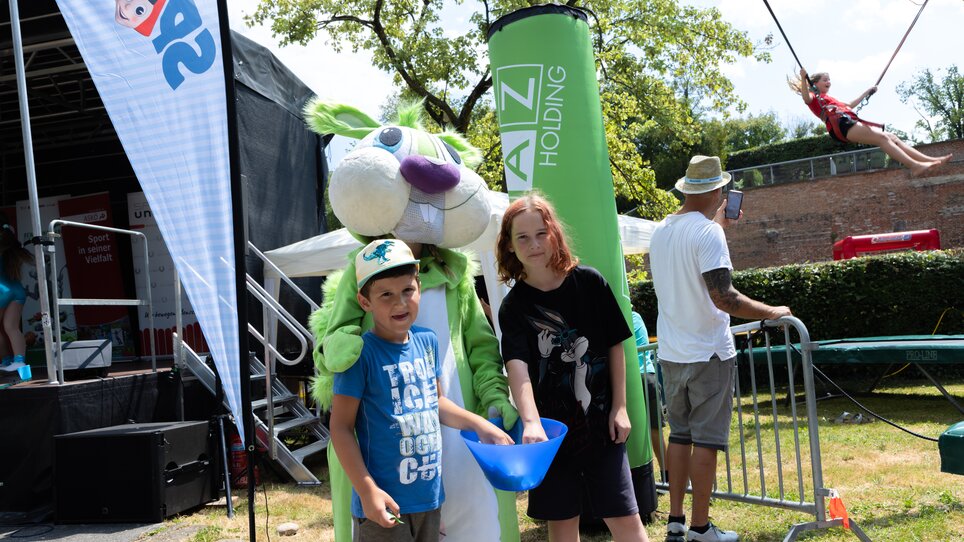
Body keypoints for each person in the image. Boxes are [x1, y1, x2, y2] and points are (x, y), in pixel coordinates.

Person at [329, 239, 513, 541]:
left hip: (429, 498)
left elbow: (437, 402)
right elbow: (340, 427)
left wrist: (479, 425)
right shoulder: (359, 356)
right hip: (383, 504)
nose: (400, 303)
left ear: (419, 286)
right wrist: (367, 490)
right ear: (365, 302)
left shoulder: (427, 342)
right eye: (386, 295)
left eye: (407, 291)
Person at [649, 155, 793, 542]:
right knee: (707, 442)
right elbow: (723, 297)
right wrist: (773, 312)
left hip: (672, 352)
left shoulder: (661, 231)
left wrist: (717, 225)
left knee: (679, 435)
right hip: (708, 352)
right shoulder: (709, 233)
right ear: (718, 191)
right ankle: (700, 527)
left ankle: (676, 523)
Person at [495, 193, 650, 542]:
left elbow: (615, 345)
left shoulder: (590, 282)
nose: (533, 244)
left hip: (602, 428)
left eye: (540, 233)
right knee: (562, 526)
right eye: (522, 237)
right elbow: (517, 367)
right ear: (509, 246)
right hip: (550, 435)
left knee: (627, 522)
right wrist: (532, 422)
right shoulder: (513, 307)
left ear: (554, 233)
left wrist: (621, 408)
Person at [792, 68, 951, 177]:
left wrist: (868, 92)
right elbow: (806, 98)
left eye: (829, 80)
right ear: (816, 83)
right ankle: (914, 166)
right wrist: (805, 78)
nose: (829, 82)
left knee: (892, 137)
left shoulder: (830, 98)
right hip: (841, 126)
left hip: (847, 122)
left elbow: (849, 105)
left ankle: (929, 160)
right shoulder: (815, 97)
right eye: (825, 80)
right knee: (882, 139)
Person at [631, 311, 666, 480]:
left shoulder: (632, 316)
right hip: (646, 377)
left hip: (641, 378)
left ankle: (668, 476)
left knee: (654, 431)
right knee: (655, 431)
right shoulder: (636, 316)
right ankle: (667, 476)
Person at [0, 221, 33, 375]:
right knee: (11, 327)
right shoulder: (12, 250)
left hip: (2, 291)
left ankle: (6, 361)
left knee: (5, 328)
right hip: (17, 291)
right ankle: (19, 362)